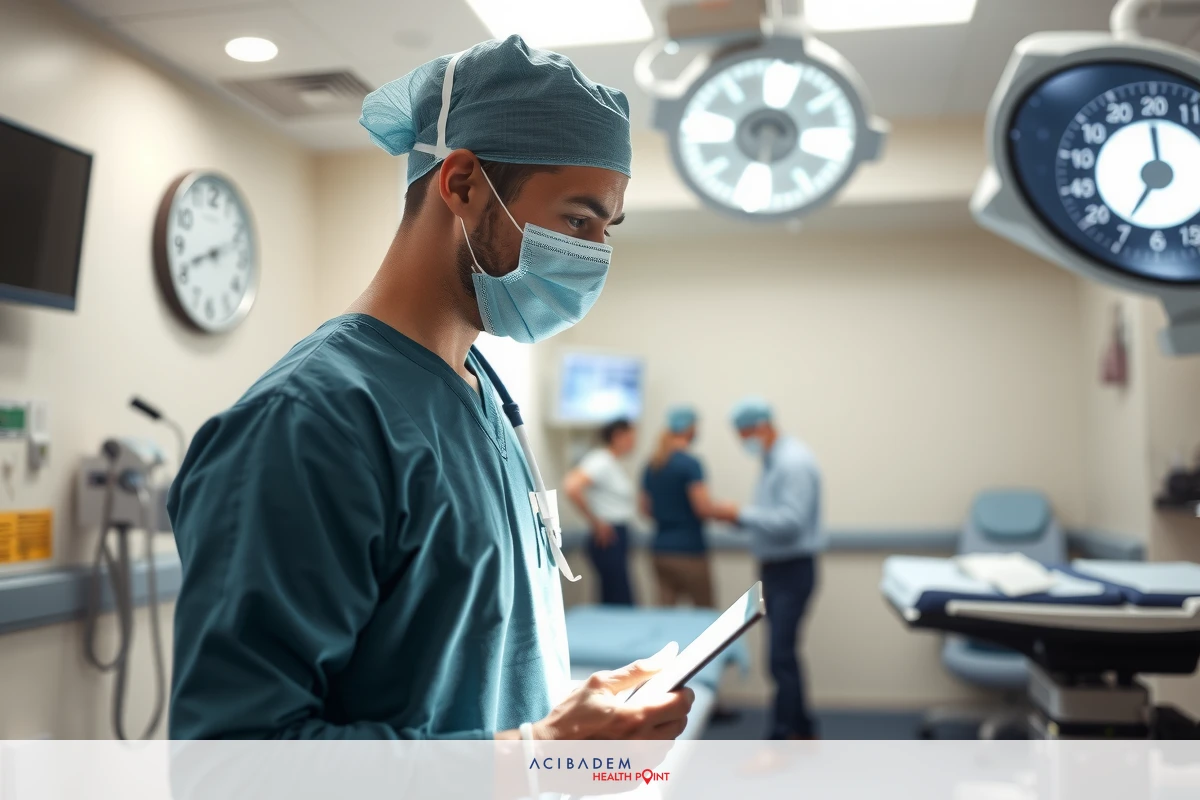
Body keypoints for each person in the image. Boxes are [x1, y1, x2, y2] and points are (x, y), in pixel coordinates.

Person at [166, 36, 693, 742]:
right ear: (463, 183)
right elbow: (233, 763)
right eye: (577, 220)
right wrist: (535, 755)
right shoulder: (309, 424)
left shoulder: (483, 398)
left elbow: (465, 679)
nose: (595, 255)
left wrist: (577, 728)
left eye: (606, 229)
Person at [710, 397, 825, 740]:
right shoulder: (774, 460)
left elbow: (791, 522)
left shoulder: (793, 463)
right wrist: (741, 519)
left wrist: (739, 515)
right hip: (779, 568)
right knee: (783, 656)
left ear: (762, 426)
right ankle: (801, 730)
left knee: (780, 658)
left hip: (791, 570)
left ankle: (783, 737)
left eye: (744, 433)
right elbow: (776, 517)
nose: (743, 440)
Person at [641, 406, 717, 608]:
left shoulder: (652, 464)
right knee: (705, 615)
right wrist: (728, 511)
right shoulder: (691, 464)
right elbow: (702, 507)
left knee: (666, 613)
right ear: (690, 430)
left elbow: (645, 509)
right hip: (689, 551)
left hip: (660, 550)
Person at [563, 418, 638, 605]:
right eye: (631, 435)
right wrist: (597, 523)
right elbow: (571, 486)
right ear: (617, 436)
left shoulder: (611, 463)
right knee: (618, 599)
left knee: (616, 596)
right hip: (608, 535)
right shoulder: (601, 460)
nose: (634, 441)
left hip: (618, 534)